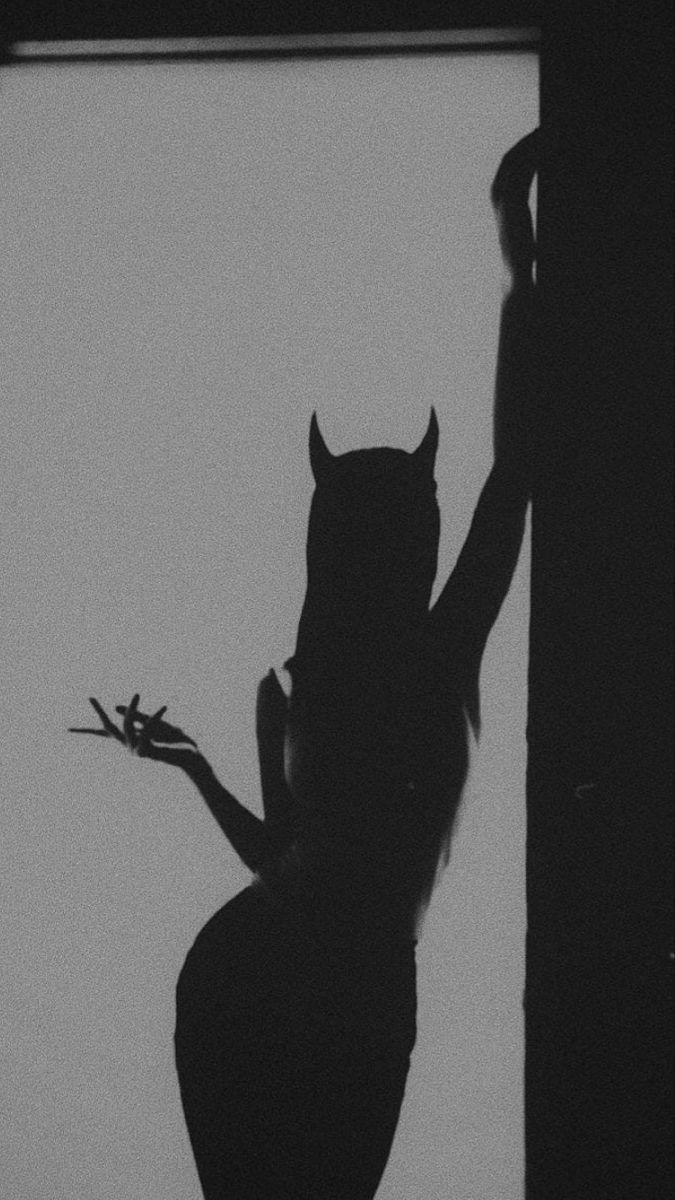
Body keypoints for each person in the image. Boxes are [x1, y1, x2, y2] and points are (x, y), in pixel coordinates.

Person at [69, 129, 540, 1200]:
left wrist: (524, 278)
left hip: (326, 980)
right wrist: (197, 771)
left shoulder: (418, 655)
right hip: (264, 973)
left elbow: (517, 473)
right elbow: (287, 857)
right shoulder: (310, 688)